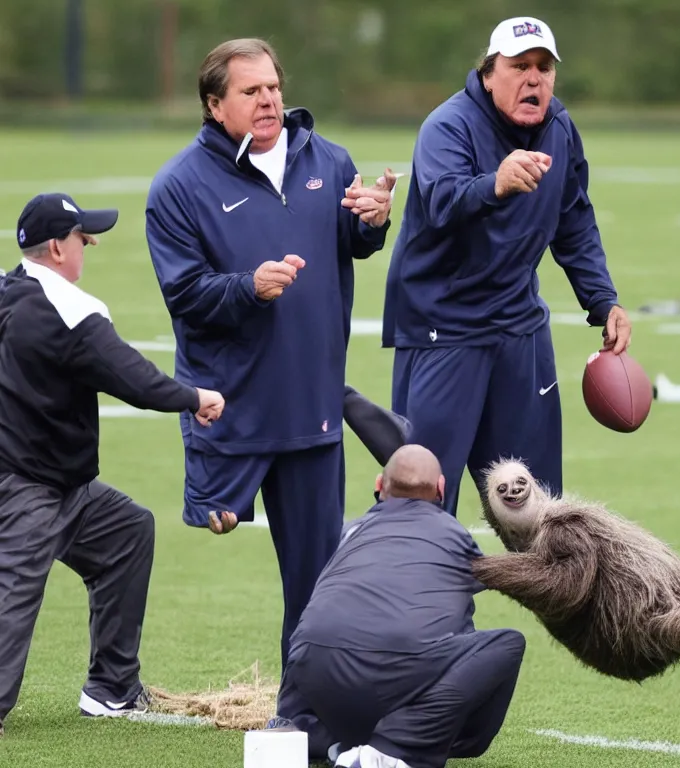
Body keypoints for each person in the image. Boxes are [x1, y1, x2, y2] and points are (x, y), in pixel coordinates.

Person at [144, 37, 397, 670]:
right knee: (216, 521)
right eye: (250, 92)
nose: (268, 101)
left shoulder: (330, 161)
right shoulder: (177, 187)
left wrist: (372, 220)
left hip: (312, 404)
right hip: (235, 406)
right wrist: (248, 288)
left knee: (318, 587)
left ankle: (310, 709)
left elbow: (355, 240)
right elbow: (184, 295)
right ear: (213, 105)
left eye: (274, 88)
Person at [381, 16, 633, 518]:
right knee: (421, 495)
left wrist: (602, 300)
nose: (533, 79)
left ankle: (557, 596)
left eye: (544, 68)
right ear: (489, 72)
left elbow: (575, 222)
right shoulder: (448, 126)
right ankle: (427, 598)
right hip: (444, 329)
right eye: (520, 66)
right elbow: (441, 201)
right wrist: (494, 184)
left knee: (540, 509)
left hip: (518, 327)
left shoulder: (559, 128)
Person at [0, 193, 226, 735]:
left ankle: (112, 688)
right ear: (57, 246)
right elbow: (134, 379)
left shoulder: (10, 288)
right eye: (83, 238)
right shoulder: (74, 311)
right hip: (28, 487)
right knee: (14, 591)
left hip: (61, 486)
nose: (89, 245)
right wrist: (196, 398)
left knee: (127, 530)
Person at [274, 445, 526, 768]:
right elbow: (461, 624)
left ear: (380, 486)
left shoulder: (350, 532)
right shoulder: (453, 534)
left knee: (320, 628)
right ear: (440, 489)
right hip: (398, 671)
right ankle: (392, 748)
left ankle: (302, 733)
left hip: (314, 669)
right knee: (507, 644)